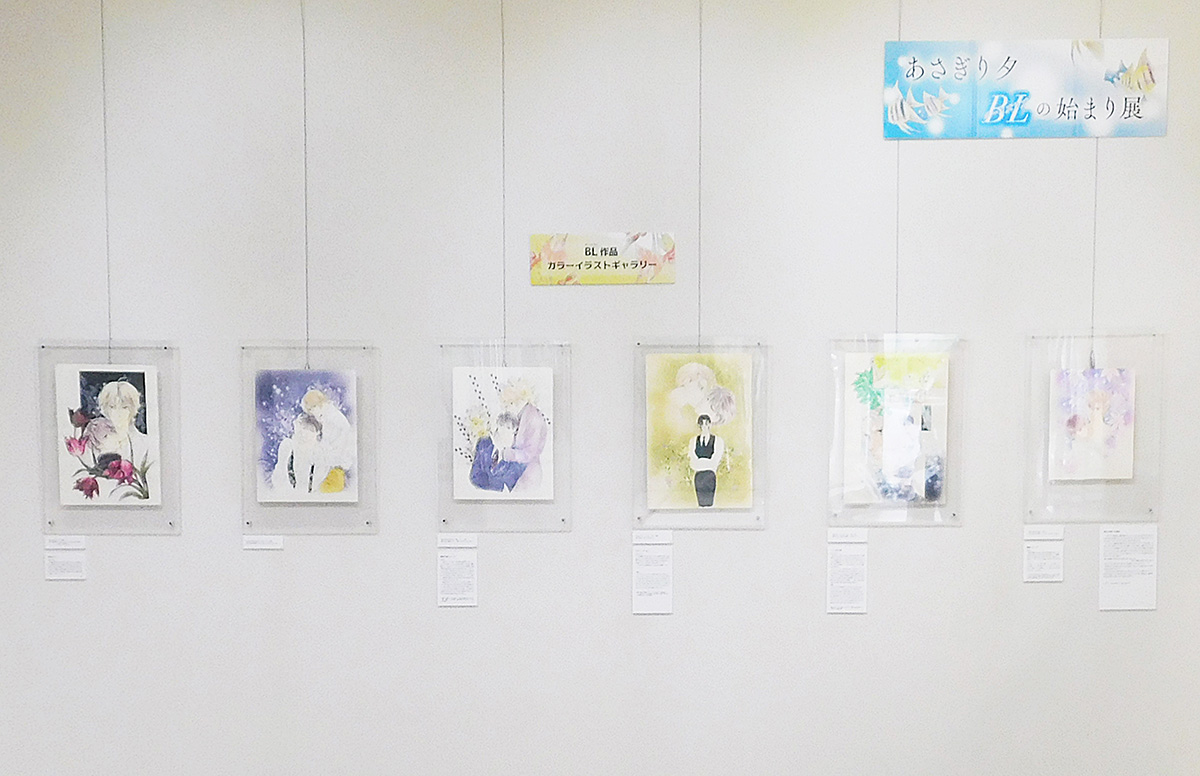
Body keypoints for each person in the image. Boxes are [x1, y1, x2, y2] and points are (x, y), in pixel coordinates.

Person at [469, 414, 526, 492]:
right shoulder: (484, 444)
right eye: (502, 426)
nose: (505, 432)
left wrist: (488, 480)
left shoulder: (516, 457)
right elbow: (475, 477)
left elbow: (505, 486)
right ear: (497, 427)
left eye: (509, 428)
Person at [688, 414, 725, 507]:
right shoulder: (693, 441)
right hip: (699, 476)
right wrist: (703, 462)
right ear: (699, 426)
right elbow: (693, 459)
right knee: (700, 503)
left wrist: (702, 462)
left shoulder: (717, 440)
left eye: (707, 424)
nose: (705, 427)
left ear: (710, 425)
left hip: (709, 475)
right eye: (702, 424)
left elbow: (715, 459)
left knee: (709, 503)